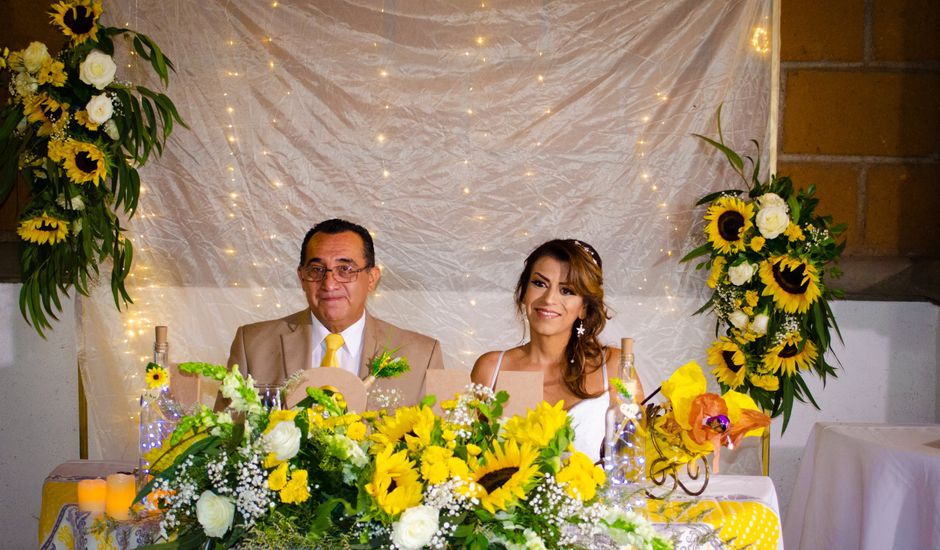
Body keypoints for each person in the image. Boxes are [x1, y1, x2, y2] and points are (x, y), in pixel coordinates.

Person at [226, 218, 444, 407]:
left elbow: (436, 449)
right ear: (302, 277)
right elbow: (224, 443)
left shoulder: (421, 356)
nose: (329, 284)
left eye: (345, 270)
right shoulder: (253, 346)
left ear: (372, 278)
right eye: (316, 270)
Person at [470, 239, 643, 462]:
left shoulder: (615, 367)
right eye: (540, 284)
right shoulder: (491, 369)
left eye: (567, 290)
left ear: (583, 307)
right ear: (523, 292)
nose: (549, 299)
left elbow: (634, 459)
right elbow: (466, 459)